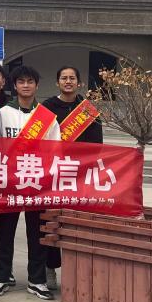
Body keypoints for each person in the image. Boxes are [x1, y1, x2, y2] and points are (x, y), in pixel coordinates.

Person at [0, 64, 60, 300]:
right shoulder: (2, 113)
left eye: (30, 81)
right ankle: (1, 277)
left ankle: (37, 280)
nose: (25, 85)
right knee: (5, 232)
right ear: (14, 85)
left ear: (37, 85)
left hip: (37, 182)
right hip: (10, 181)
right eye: (21, 81)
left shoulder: (47, 118)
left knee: (36, 232)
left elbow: (55, 151)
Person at [42, 65, 104, 290]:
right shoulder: (47, 107)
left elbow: (96, 146)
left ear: (79, 83)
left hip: (78, 176)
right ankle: (49, 268)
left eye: (72, 78)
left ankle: (75, 270)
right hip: (52, 175)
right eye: (63, 78)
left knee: (75, 223)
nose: (68, 81)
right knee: (51, 221)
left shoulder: (88, 110)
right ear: (57, 82)